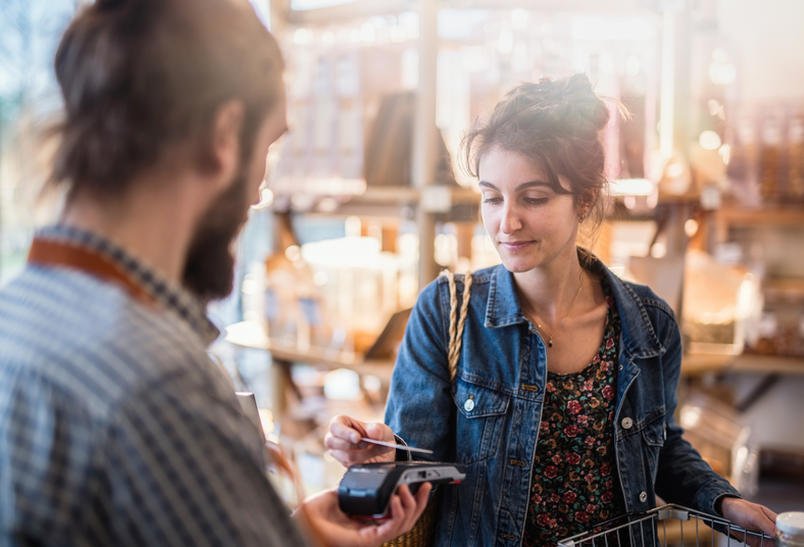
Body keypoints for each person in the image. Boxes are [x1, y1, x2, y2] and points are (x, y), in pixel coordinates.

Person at [0, 0, 431, 545]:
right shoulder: (162, 386)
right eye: (268, 147)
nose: (258, 191)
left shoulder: (18, 315)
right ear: (225, 136)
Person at [326, 74, 777, 546]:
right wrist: (382, 452)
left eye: (534, 198)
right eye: (492, 198)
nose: (507, 221)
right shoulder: (446, 311)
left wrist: (723, 503)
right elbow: (421, 462)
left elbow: (660, 450)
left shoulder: (649, 324)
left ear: (583, 200)